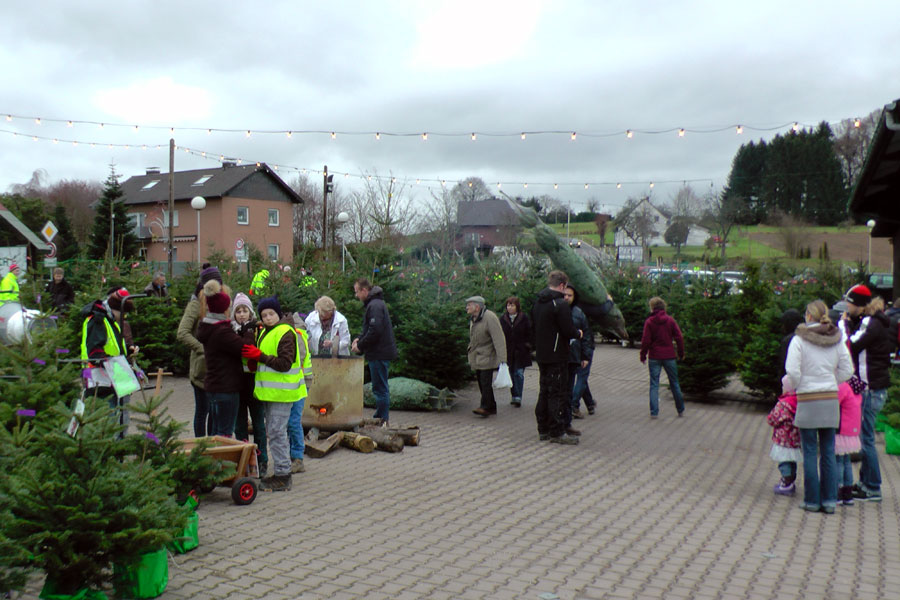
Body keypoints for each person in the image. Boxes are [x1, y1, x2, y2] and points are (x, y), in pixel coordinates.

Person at [786, 299, 854, 514]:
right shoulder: (836, 339)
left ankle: (812, 500)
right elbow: (848, 369)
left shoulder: (799, 340)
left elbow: (792, 371)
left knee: (809, 450)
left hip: (808, 398)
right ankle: (829, 501)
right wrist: (833, 382)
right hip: (829, 399)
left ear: (808, 316)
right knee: (827, 451)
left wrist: (799, 386)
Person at [242, 296, 305, 492]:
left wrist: (259, 356)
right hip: (272, 393)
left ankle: (283, 475)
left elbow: (284, 364)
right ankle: (281, 471)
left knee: (277, 432)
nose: (268, 318)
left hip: (284, 393)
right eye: (264, 315)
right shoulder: (265, 332)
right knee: (275, 432)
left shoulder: (285, 332)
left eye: (271, 314)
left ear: (278, 313)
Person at [840, 285, 891, 503]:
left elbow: (850, 345)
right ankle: (865, 482)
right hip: (873, 386)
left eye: (850, 303)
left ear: (860, 305)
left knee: (866, 438)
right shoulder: (873, 321)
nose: (847, 307)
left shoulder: (871, 323)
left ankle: (872, 486)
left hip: (870, 388)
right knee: (864, 437)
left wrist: (842, 325)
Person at [531, 270, 582, 445]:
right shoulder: (559, 305)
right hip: (557, 355)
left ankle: (543, 429)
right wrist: (579, 333)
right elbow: (568, 330)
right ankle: (557, 431)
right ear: (562, 285)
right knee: (557, 393)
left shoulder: (538, 302)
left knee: (544, 391)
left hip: (542, 355)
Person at [80, 287, 137, 435]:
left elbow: (113, 347)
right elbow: (95, 352)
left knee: (121, 416)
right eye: (123, 314)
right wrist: (114, 363)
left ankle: (119, 447)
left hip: (113, 376)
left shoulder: (110, 320)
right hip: (99, 379)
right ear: (115, 309)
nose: (123, 318)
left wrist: (128, 351)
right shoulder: (98, 320)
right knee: (109, 420)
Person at [176, 264, 222, 437]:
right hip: (201, 369)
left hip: (217, 368)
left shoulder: (221, 303)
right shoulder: (195, 305)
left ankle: (212, 448)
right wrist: (202, 349)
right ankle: (200, 447)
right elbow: (182, 333)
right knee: (203, 410)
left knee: (215, 411)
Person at [196, 280, 244, 437]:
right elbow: (244, 348)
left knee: (216, 430)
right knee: (224, 433)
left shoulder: (207, 327)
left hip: (213, 386)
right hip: (226, 387)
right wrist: (249, 332)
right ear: (223, 309)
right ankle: (221, 461)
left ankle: (211, 460)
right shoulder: (223, 332)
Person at [351, 279, 397, 424]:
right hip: (377, 352)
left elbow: (374, 330)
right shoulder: (374, 304)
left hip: (379, 353)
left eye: (357, 291)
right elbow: (368, 328)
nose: (356, 295)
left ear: (364, 290)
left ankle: (381, 420)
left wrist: (361, 345)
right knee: (379, 387)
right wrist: (358, 338)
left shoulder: (375, 306)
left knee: (380, 388)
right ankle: (381, 418)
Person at [232, 292, 267, 476]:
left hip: (254, 383)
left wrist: (248, 331)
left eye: (245, 310)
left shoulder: (256, 329)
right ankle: (244, 461)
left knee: (259, 424)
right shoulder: (231, 331)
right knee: (240, 426)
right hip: (237, 384)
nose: (242, 314)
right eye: (238, 311)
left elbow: (249, 349)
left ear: (250, 312)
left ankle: (262, 461)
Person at [639, 297, 686, 418]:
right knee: (674, 382)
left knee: (654, 384)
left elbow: (645, 340)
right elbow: (679, 337)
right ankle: (680, 409)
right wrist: (681, 353)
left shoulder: (649, 322)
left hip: (654, 356)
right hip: (669, 356)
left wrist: (643, 355)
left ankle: (654, 412)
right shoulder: (670, 320)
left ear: (652, 308)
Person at [465, 296, 507, 417]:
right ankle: (492, 406)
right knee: (481, 381)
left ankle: (485, 407)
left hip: (488, 356)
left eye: (469, 305)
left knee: (485, 382)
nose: (467, 307)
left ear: (477, 307)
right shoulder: (474, 318)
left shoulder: (490, 318)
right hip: (477, 356)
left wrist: (503, 359)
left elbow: (499, 339)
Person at [565, 284, 595, 422]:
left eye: (569, 295)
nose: (566, 298)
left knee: (581, 378)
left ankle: (574, 405)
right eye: (564, 295)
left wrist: (586, 356)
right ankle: (589, 404)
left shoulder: (579, 313)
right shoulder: (559, 311)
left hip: (580, 352)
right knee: (582, 380)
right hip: (568, 354)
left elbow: (586, 335)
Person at [766, 388, 801, 496]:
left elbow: (772, 419)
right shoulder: (799, 401)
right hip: (794, 439)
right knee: (792, 460)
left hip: (783, 438)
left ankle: (786, 482)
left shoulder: (783, 404)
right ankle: (791, 479)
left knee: (784, 461)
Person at [499, 296, 532, 408]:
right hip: (509, 351)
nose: (510, 307)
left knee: (519, 373)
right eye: (508, 305)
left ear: (517, 306)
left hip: (521, 351)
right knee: (511, 373)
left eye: (512, 305)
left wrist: (527, 345)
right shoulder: (503, 319)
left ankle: (518, 396)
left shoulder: (523, 318)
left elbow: (529, 332)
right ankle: (514, 395)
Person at [836, 380, 863, 506]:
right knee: (847, 461)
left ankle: (838, 490)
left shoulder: (843, 387)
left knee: (839, 461)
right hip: (852, 432)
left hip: (842, 430)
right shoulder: (856, 388)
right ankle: (848, 492)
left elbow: (835, 403)